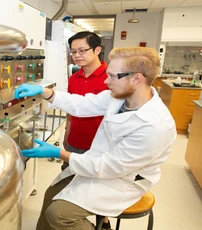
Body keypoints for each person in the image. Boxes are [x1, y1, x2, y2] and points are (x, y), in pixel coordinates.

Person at [14, 46, 177, 230]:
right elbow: (83, 104)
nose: (106, 81)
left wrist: (59, 152)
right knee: (51, 193)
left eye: (113, 76)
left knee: (59, 214)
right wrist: (45, 92)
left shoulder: (156, 125)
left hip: (123, 179)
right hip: (98, 164)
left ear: (137, 78)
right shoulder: (119, 97)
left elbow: (110, 167)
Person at [61, 31, 108, 171]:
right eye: (73, 52)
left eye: (82, 51)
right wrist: (67, 134)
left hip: (100, 146)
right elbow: (71, 108)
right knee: (66, 181)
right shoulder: (73, 78)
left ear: (97, 50)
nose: (77, 56)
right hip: (74, 142)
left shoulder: (111, 78)